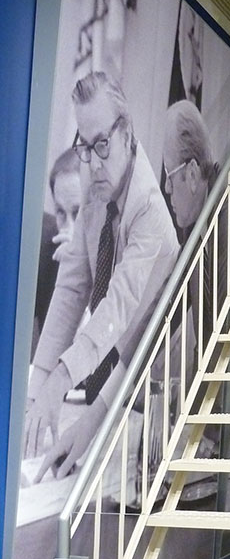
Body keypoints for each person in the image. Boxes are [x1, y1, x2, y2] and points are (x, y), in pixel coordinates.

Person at [27, 71, 180, 478]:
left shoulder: (150, 211)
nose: (93, 162)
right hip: (105, 375)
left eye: (101, 145)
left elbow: (116, 308)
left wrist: (61, 378)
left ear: (126, 132)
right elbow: (72, 287)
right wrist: (36, 391)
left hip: (148, 389)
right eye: (85, 145)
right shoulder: (95, 181)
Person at [162, 99, 225, 349]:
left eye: (169, 176)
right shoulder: (193, 231)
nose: (166, 189)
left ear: (191, 174)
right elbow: (168, 308)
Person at [35, 149, 82, 343]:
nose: (68, 229)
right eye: (61, 212)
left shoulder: (116, 257)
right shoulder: (46, 250)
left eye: (78, 213)